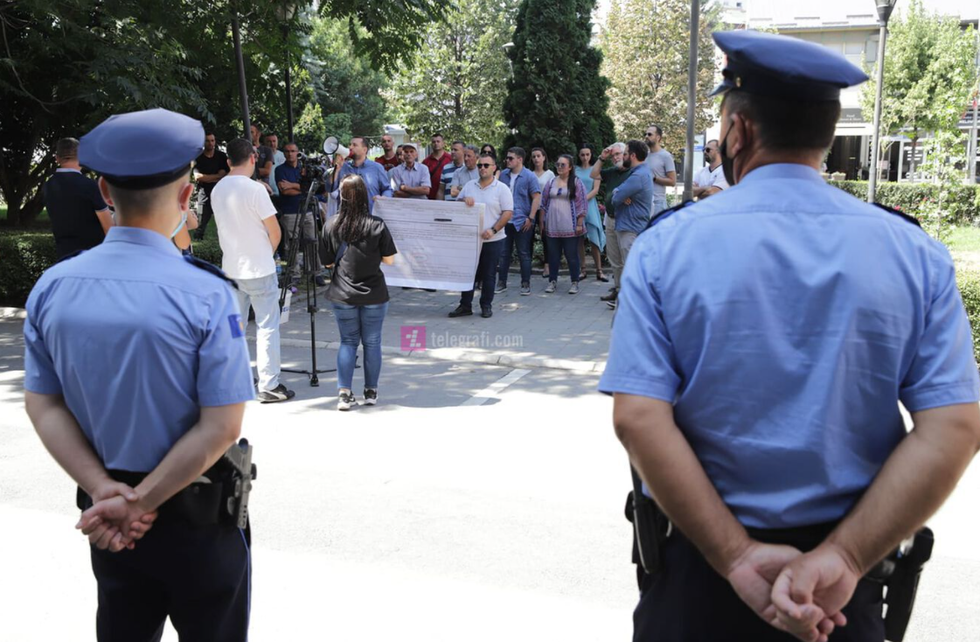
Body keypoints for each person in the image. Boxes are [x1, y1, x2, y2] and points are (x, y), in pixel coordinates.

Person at [599, 30, 980, 642]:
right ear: (825, 134)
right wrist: (846, 557)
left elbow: (639, 418)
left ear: (739, 131)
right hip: (841, 593)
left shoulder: (666, 246)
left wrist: (736, 557)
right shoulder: (914, 253)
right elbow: (956, 427)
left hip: (699, 578)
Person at [23, 108, 256, 642]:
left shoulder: (53, 287)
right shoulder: (208, 293)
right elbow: (222, 425)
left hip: (105, 516)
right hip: (196, 514)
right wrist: (143, 502)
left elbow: (44, 404)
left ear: (104, 190)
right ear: (185, 196)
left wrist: (107, 494)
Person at [214, 137, 296, 404]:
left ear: (228, 161)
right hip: (259, 268)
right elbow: (275, 232)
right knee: (267, 326)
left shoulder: (218, 189)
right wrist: (266, 255)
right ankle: (268, 384)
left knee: (234, 328)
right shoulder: (256, 190)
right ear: (252, 158)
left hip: (231, 269)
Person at [320, 174, 398, 411]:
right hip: (374, 292)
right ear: (364, 195)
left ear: (342, 197)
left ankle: (344, 394)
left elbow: (327, 263)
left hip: (342, 293)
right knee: (372, 342)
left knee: (347, 341)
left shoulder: (331, 224)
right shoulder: (377, 225)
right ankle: (371, 391)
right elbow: (390, 260)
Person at [449, 153, 513, 319]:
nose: (482, 168)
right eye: (480, 165)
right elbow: (457, 207)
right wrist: (464, 201)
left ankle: (486, 305)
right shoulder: (469, 186)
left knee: (488, 274)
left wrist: (493, 230)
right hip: (471, 239)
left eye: (486, 165)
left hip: (493, 239)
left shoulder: (502, 188)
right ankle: (465, 305)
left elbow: (507, 212)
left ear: (494, 168)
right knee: (468, 273)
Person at [42, 137, 114, 259]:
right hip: (92, 256)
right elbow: (109, 229)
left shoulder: (48, 186)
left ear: (57, 158)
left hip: (63, 255)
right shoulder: (90, 186)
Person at [496, 147, 542, 296]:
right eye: (507, 158)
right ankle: (501, 282)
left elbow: (536, 197)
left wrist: (531, 218)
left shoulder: (529, 176)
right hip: (505, 220)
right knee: (504, 253)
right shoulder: (503, 175)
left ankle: (525, 283)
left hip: (522, 221)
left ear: (520, 159)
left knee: (524, 253)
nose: (507, 160)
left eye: (511, 158)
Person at [540, 154, 587, 295]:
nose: (559, 167)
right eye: (558, 164)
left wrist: (579, 224)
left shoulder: (576, 182)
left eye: (563, 165)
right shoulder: (551, 182)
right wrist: (542, 223)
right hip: (552, 226)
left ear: (570, 167)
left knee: (571, 256)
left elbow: (582, 204)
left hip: (570, 227)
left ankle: (574, 282)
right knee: (553, 256)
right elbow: (543, 203)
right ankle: (552, 281)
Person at [276, 142, 321, 284]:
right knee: (291, 244)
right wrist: (303, 188)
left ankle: (315, 272)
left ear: (298, 152)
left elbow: (313, 188)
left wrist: (292, 185)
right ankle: (293, 274)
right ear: (284, 153)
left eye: (293, 151)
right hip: (290, 211)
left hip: (307, 210)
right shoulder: (279, 170)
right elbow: (285, 191)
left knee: (312, 241)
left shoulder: (305, 168)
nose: (290, 154)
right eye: (287, 151)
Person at [609, 140, 653, 284]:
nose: (623, 157)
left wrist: (618, 193)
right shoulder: (640, 173)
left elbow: (615, 199)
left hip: (630, 229)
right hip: (632, 226)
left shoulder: (637, 176)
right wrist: (619, 192)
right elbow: (619, 193)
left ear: (633, 156)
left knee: (632, 271)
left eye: (625, 154)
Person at [591, 142, 629, 307]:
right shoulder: (612, 171)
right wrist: (602, 158)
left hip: (627, 220)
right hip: (611, 219)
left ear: (626, 154)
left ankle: (627, 295)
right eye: (613, 156)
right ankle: (618, 291)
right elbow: (593, 174)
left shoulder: (633, 172)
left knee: (627, 259)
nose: (615, 158)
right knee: (614, 259)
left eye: (618, 154)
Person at [331, 136, 393, 214]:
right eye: (350, 144)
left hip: (370, 216)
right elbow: (331, 189)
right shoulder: (343, 167)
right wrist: (336, 170)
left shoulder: (377, 168)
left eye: (354, 145)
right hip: (347, 216)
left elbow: (387, 189)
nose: (350, 147)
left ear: (364, 149)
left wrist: (383, 198)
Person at [574, 145, 607, 282]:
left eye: (587, 154)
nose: (585, 157)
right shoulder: (575, 170)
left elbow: (595, 190)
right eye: (582, 154)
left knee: (594, 238)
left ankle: (599, 270)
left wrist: (583, 200)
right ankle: (582, 270)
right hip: (576, 206)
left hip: (590, 206)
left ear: (591, 155)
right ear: (579, 155)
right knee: (579, 239)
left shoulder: (595, 170)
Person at [192, 132, 229, 240]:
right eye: (207, 141)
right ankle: (198, 239)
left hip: (220, 191)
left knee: (224, 220)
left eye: (212, 140)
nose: (210, 143)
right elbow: (198, 177)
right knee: (201, 222)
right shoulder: (198, 157)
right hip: (204, 192)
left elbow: (225, 174)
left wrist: (208, 177)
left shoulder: (221, 156)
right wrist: (217, 176)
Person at [530, 147, 555, 280]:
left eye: (538, 156)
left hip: (545, 209)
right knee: (528, 236)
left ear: (544, 157)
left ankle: (547, 265)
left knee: (545, 237)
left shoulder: (550, 174)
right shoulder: (529, 174)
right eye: (534, 156)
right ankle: (527, 264)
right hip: (531, 209)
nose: (536, 159)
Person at [644, 124, 676, 215]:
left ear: (658, 137)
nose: (646, 136)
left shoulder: (666, 156)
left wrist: (654, 178)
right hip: (644, 201)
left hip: (657, 202)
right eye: (645, 134)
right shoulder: (645, 155)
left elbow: (672, 182)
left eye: (649, 134)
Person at [422, 133, 452, 200]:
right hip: (430, 197)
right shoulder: (426, 162)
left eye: (438, 141)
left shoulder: (450, 159)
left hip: (447, 197)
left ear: (443, 143)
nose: (436, 143)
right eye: (434, 142)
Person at [263, 132, 286, 204]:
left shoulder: (283, 156)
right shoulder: (261, 156)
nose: (272, 144)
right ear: (265, 143)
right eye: (269, 141)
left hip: (281, 193)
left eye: (274, 141)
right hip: (266, 192)